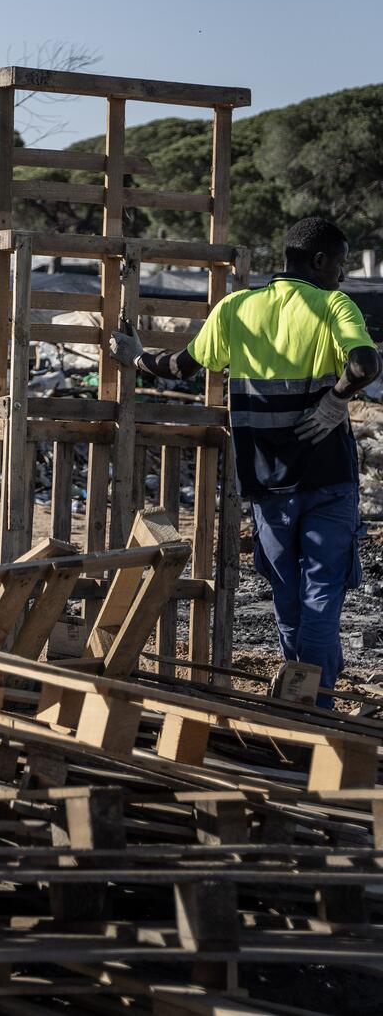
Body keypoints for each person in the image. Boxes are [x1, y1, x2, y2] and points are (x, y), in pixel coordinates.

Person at [132, 217, 379, 701]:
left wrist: (136, 357)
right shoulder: (333, 305)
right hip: (329, 476)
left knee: (288, 594)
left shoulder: (236, 308)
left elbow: (182, 366)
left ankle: (302, 689)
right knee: (322, 591)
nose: (344, 275)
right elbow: (365, 364)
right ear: (320, 261)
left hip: (267, 482)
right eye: (343, 263)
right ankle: (314, 697)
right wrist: (336, 400)